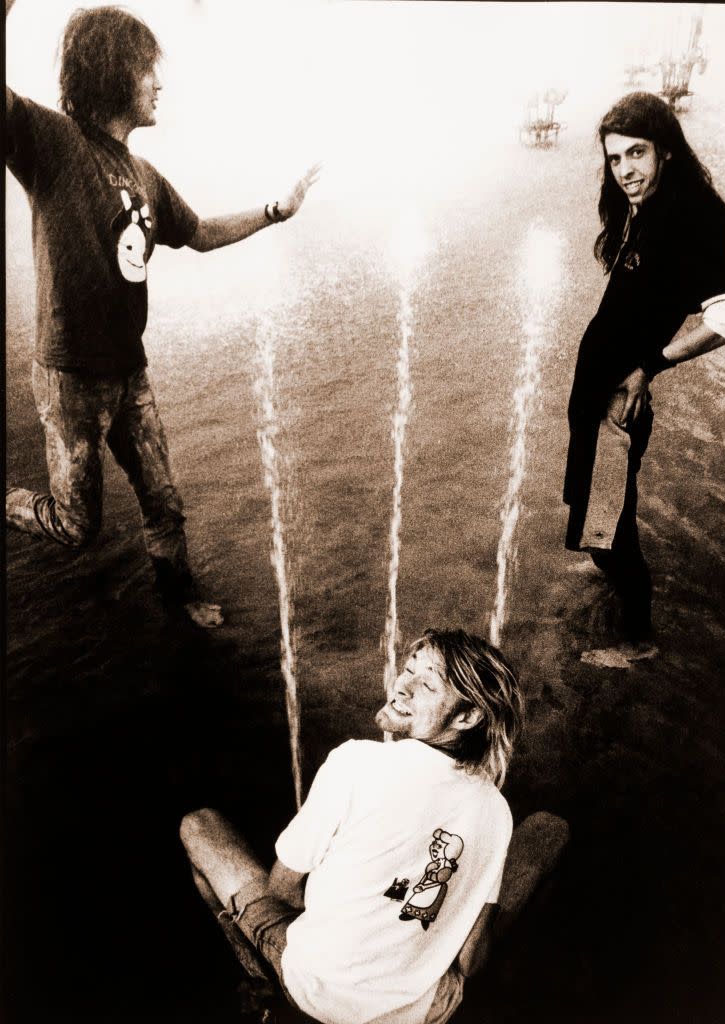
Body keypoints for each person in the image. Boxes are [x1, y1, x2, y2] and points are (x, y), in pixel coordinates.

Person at [5, 1, 319, 627]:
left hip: (130, 371)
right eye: (149, 68)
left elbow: (199, 231)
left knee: (164, 504)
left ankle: (179, 600)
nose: (160, 83)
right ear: (114, 70)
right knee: (77, 525)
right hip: (72, 378)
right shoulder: (52, 143)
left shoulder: (142, 172)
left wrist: (275, 210)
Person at [180, 628, 524, 1024]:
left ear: (467, 716)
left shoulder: (356, 762)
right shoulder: (496, 810)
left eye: (426, 684)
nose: (401, 686)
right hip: (426, 1010)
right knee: (548, 831)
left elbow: (282, 891)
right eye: (408, 669)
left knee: (198, 826)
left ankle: (263, 985)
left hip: (321, 994)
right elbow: (469, 961)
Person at [563, 91, 725, 655]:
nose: (625, 171)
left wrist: (651, 366)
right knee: (600, 508)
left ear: (665, 149)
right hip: (601, 387)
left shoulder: (698, 213)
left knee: (609, 523)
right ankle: (612, 568)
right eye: (615, 159)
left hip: (620, 395)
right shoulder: (652, 204)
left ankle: (638, 639)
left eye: (636, 154)